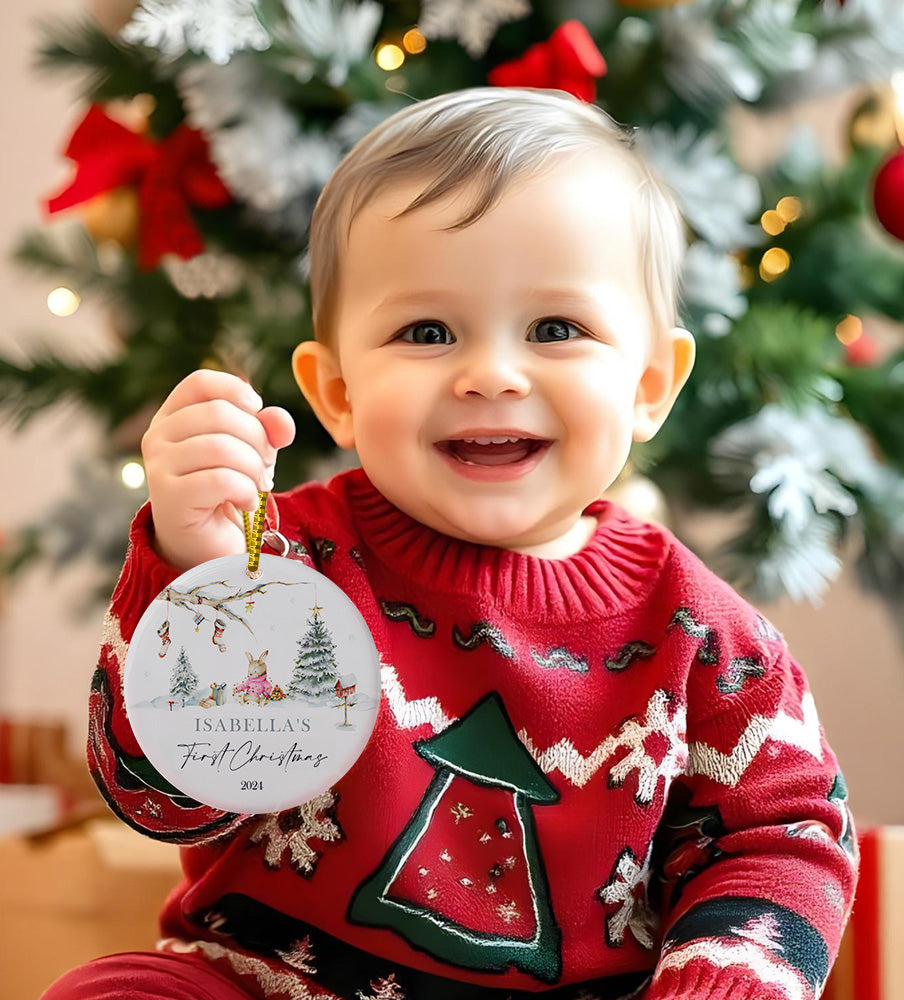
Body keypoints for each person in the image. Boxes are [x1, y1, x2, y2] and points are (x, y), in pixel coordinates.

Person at [43, 87, 857, 1000]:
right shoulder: (277, 569)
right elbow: (155, 800)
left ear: (650, 382)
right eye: (426, 331)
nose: (490, 375)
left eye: (557, 328)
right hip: (272, 979)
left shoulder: (706, 640)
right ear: (338, 391)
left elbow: (781, 838)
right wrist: (192, 573)